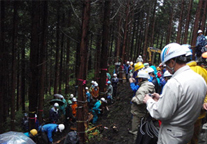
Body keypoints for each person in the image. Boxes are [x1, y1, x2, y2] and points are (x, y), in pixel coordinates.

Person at [143, 43, 207, 144]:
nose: (166, 69)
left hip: (172, 135)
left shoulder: (174, 83)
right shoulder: (200, 79)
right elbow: (185, 102)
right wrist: (162, 99)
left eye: (166, 65)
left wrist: (149, 101)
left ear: (172, 62)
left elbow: (161, 113)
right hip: (188, 131)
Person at [182, 44, 207, 144]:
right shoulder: (203, 71)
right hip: (199, 115)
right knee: (194, 139)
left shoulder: (183, 72)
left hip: (186, 116)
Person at [129, 70, 155, 137]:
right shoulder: (149, 85)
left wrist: (133, 99)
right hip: (145, 112)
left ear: (140, 79)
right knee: (142, 129)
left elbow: (140, 101)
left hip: (138, 113)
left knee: (136, 131)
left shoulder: (142, 89)